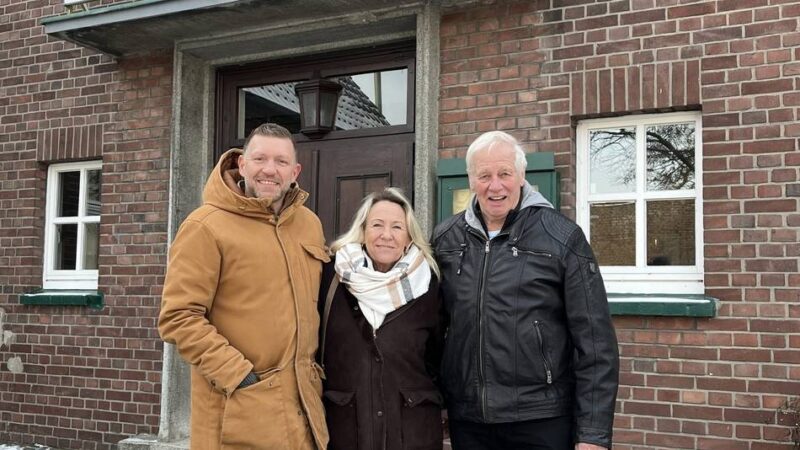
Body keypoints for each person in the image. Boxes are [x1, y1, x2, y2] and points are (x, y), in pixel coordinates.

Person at [431, 131, 619, 450]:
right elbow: (432, 330)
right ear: (471, 180)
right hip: (470, 421)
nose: (495, 186)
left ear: (521, 176)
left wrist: (593, 434)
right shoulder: (445, 239)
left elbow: (595, 342)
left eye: (504, 173)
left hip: (541, 419)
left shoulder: (562, 238)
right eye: (484, 176)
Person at [158, 123, 330, 450]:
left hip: (304, 413)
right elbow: (178, 317)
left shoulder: (309, 224)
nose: (270, 170)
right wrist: (239, 376)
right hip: (239, 411)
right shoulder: (205, 226)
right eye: (260, 158)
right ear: (242, 164)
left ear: (295, 171)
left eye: (281, 161)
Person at [319, 187, 444, 450]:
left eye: (397, 227)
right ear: (363, 231)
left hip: (412, 434)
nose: (386, 235)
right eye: (377, 225)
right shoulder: (331, 278)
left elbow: (437, 357)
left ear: (409, 237)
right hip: (345, 431)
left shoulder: (428, 284)